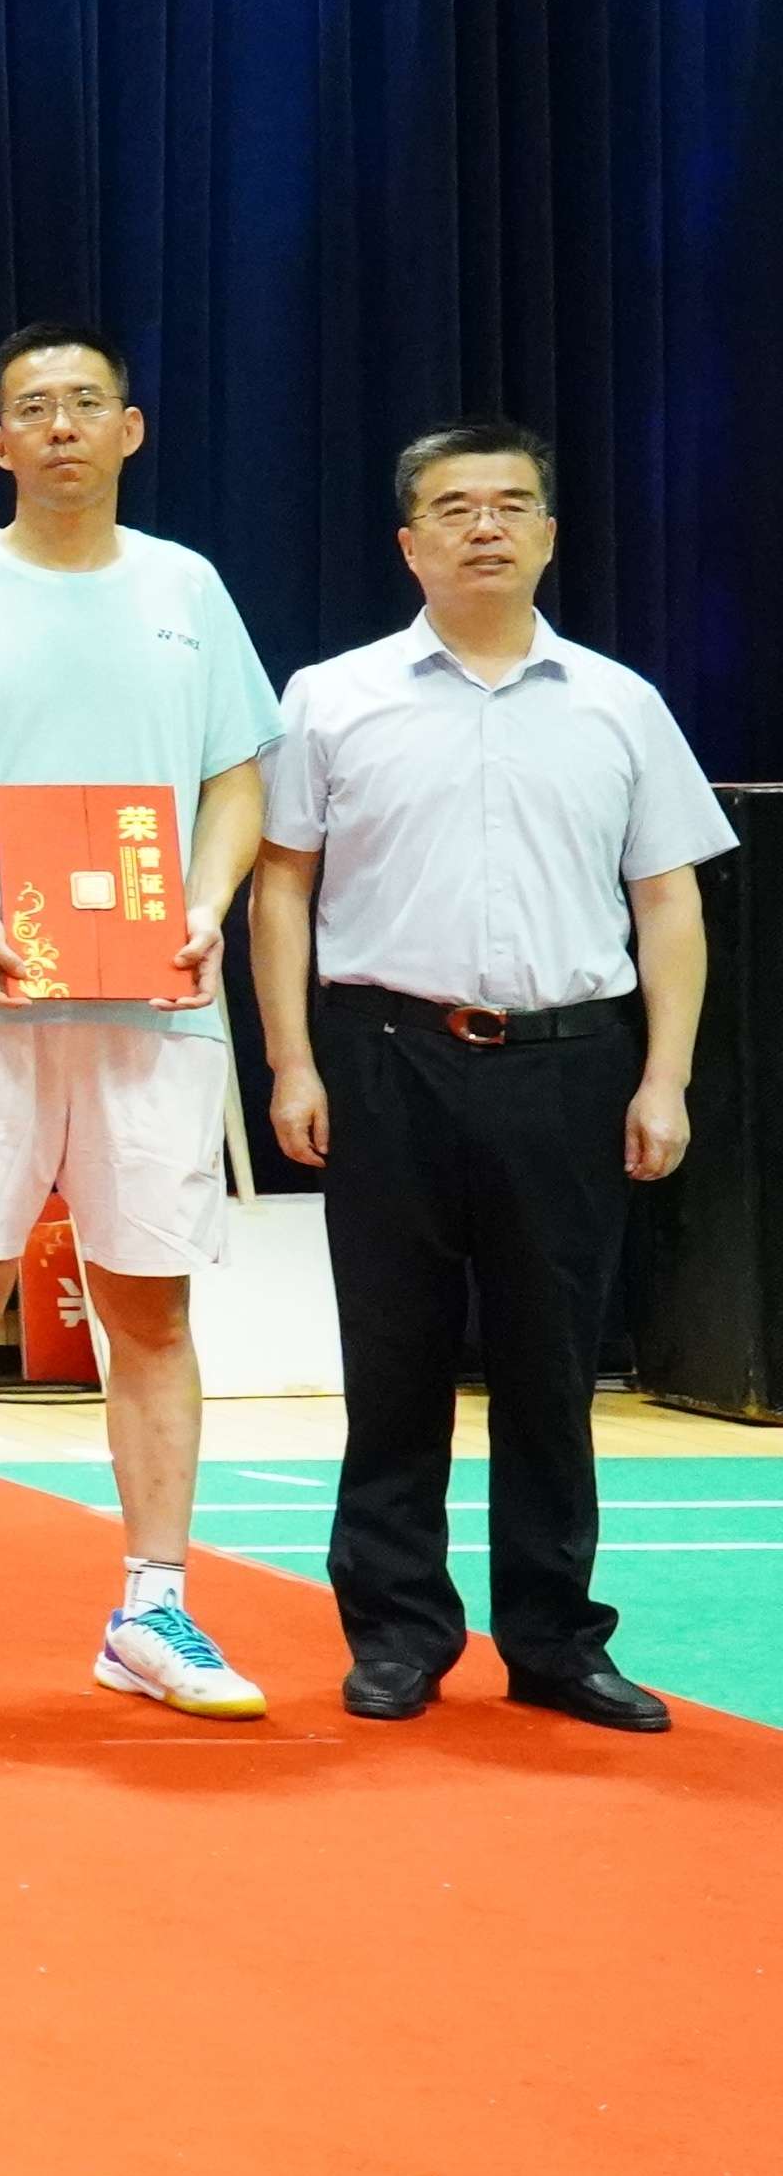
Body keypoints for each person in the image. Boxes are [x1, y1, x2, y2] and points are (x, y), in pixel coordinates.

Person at [255, 422, 725, 1732]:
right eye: (456, 506)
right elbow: (281, 888)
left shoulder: (620, 703)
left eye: (513, 505)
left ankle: (556, 1641)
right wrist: (291, 1060)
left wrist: (667, 1078)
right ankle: (397, 1634)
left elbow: (669, 902)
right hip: (384, 1056)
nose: (486, 527)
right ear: (409, 541)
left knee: (552, 1370)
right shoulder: (329, 696)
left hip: (571, 1065)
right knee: (393, 1362)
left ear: (550, 536)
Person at [0, 327, 284, 1721]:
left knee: (149, 1304)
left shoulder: (186, 588)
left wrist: (205, 908)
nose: (60, 426)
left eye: (85, 404)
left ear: (130, 429)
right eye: (33, 408)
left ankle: (154, 1607)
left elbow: (235, 780)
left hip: (153, 1005)